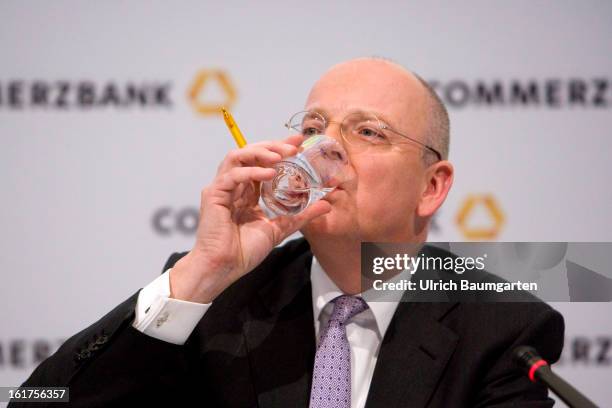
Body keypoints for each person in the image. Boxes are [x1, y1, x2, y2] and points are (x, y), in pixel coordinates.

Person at [13, 58, 564, 407]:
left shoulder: (504, 325)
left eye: (368, 132)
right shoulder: (218, 298)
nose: (327, 150)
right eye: (313, 128)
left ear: (431, 187)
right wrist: (199, 278)